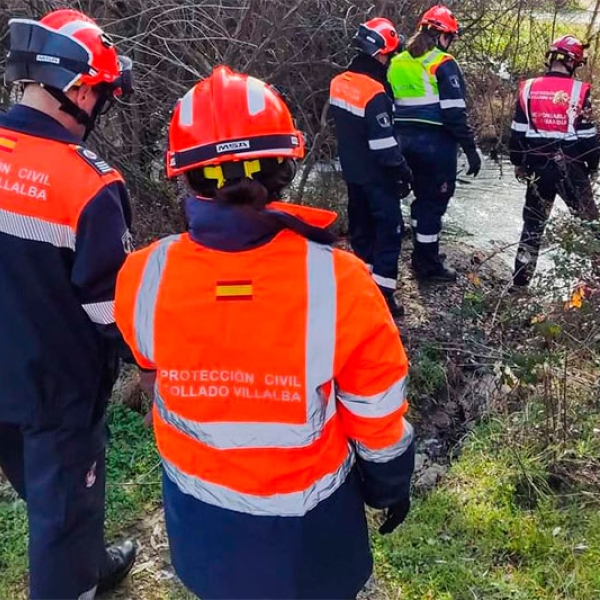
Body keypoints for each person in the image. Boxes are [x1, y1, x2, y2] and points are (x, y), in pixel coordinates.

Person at [114, 65, 415, 600]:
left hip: (201, 524)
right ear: (284, 167)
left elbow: (153, 379)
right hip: (309, 537)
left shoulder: (144, 274)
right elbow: (375, 409)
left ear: (185, 175)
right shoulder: (338, 278)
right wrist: (389, 483)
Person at [0, 9, 137, 598]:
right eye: (102, 94)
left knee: (52, 497)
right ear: (80, 87)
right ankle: (74, 575)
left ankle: (89, 562)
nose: (100, 108)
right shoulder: (89, 186)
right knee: (60, 514)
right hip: (58, 394)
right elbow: (112, 312)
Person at [388, 3, 481, 281]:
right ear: (443, 37)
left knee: (419, 202)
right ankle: (427, 265)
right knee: (432, 203)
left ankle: (423, 253)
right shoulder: (443, 63)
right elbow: (454, 113)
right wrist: (470, 149)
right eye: (450, 39)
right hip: (435, 144)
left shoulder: (396, 61)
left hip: (402, 142)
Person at [329, 17, 412, 318]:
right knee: (389, 233)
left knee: (361, 233)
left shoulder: (338, 83)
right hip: (378, 177)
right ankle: (383, 300)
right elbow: (384, 147)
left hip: (352, 174)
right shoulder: (376, 93)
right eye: (389, 55)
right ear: (381, 54)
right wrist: (404, 172)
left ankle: (363, 291)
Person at [508, 35, 600, 289]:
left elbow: (517, 133)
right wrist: (593, 167)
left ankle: (519, 284)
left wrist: (518, 162)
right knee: (592, 224)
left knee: (532, 226)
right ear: (573, 62)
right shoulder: (579, 91)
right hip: (570, 167)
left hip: (537, 168)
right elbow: (588, 139)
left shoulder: (527, 88)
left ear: (551, 58)